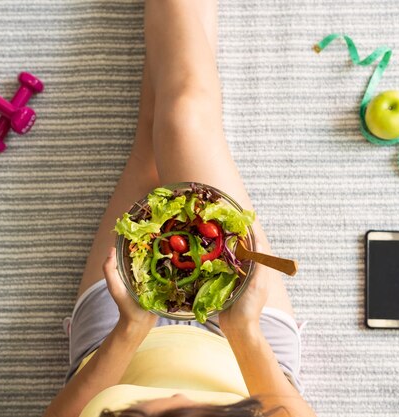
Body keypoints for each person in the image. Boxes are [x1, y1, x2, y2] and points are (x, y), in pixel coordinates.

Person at [44, 1, 316, 416]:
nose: (169, 393)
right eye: (180, 404)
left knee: (153, 139)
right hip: (246, 354)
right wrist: (243, 329)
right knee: (184, 118)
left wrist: (131, 328)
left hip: (113, 351)